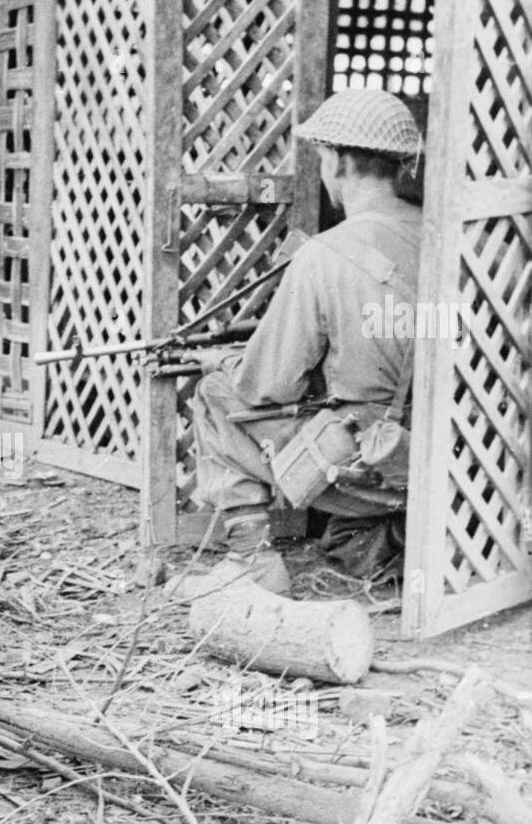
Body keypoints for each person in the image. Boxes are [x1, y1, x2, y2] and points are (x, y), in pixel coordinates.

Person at [173, 89, 424, 598]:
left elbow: (266, 385)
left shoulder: (325, 255)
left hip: (369, 470)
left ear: (336, 160)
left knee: (216, 392)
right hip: (448, 461)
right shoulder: (448, 239)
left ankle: (252, 561)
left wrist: (220, 359)